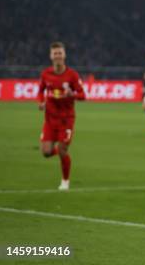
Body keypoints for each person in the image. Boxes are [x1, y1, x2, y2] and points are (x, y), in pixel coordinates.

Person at [38, 42, 86, 190]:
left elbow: (83, 95)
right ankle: (60, 150)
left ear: (64, 55)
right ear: (51, 56)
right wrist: (41, 102)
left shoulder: (72, 75)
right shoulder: (45, 74)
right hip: (50, 119)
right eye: (55, 53)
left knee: (63, 150)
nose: (57, 56)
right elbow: (40, 91)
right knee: (46, 152)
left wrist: (73, 94)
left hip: (66, 119)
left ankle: (65, 181)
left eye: (60, 53)